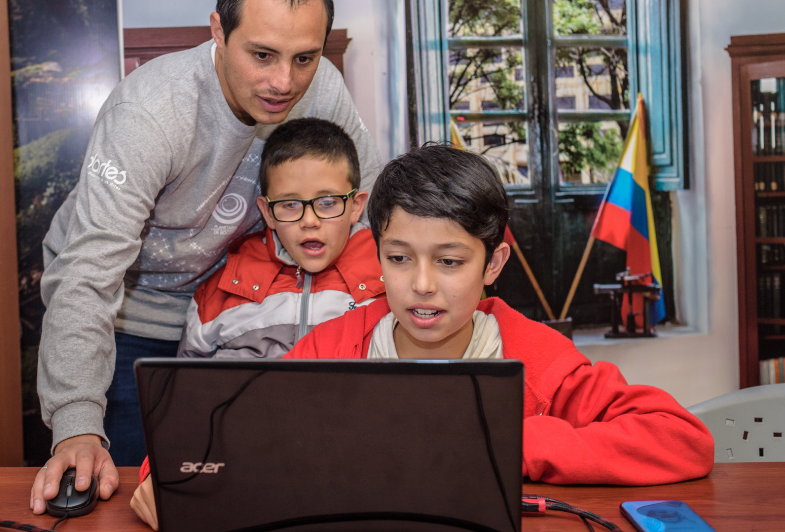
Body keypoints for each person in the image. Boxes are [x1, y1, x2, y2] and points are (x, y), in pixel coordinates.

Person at [30, 0, 381, 515]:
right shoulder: (151, 111)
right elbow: (86, 275)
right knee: (126, 499)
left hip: (228, 315)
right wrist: (74, 423)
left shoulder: (322, 89)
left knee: (236, 497)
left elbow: (371, 210)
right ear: (218, 30)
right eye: (262, 54)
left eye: (304, 58)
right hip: (126, 318)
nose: (283, 82)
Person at [285, 144, 714, 486]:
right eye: (399, 258)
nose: (421, 284)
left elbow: (683, 439)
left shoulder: (539, 361)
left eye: (449, 262)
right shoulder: (328, 350)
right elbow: (251, 439)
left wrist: (513, 443)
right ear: (377, 255)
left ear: (493, 264)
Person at [129, 117, 384, 530]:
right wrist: (156, 476)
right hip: (244, 483)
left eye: (327, 202)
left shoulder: (391, 283)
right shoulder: (222, 291)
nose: (309, 221)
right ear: (265, 210)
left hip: (361, 482)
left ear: (356, 205)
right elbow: (183, 410)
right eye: (289, 204)